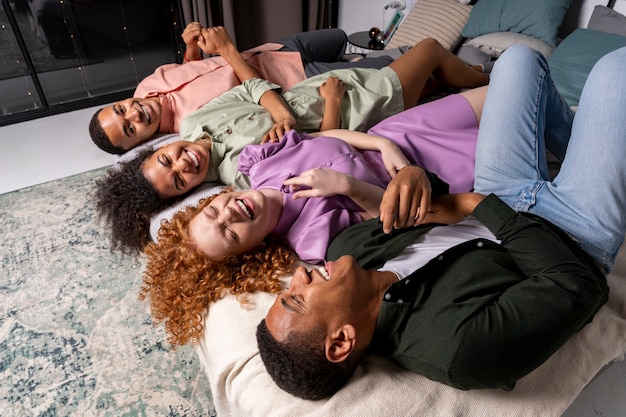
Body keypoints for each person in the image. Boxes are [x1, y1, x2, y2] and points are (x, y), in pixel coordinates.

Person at [255, 45, 626, 400]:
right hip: (571, 233)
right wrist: (473, 204)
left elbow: (428, 197)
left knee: (518, 61)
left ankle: (587, 139)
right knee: (615, 71)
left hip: (501, 189)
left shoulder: (347, 250)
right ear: (341, 342)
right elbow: (577, 286)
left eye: (286, 289)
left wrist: (415, 175)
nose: (298, 276)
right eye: (297, 299)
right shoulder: (457, 349)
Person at [138, 87, 487, 346]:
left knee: (514, 80)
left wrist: (382, 145)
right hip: (434, 175)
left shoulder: (256, 163)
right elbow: (394, 219)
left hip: (400, 133)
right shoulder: (311, 240)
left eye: (214, 210)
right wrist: (347, 185)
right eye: (229, 233)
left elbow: (321, 136)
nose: (230, 213)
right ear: (250, 249)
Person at [93, 37, 489, 255]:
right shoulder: (243, 173)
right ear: (191, 192)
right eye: (180, 181)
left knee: (437, 77)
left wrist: (281, 112)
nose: (184, 163)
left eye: (167, 158)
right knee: (431, 52)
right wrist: (331, 108)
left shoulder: (195, 122)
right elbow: (319, 148)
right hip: (356, 109)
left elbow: (252, 88)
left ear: (159, 147)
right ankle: (477, 72)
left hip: (331, 98)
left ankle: (474, 76)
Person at [89, 24, 397, 154]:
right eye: (130, 129)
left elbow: (186, 68)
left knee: (338, 35)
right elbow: (254, 93)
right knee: (389, 66)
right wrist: (226, 49)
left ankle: (351, 57)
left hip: (273, 50)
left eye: (120, 109)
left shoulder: (146, 86)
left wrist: (191, 48)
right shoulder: (192, 124)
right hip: (298, 79)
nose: (134, 113)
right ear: (143, 141)